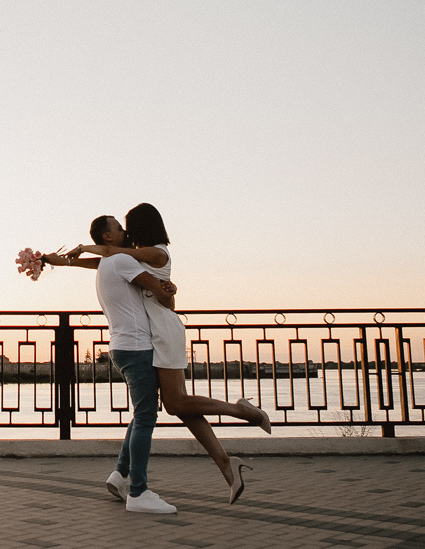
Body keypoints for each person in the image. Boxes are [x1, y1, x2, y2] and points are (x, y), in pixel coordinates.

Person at [58, 203, 272, 504]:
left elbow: (113, 256)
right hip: (152, 333)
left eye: (129, 226)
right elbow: (105, 261)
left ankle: (243, 411)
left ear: (142, 227)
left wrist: (83, 248)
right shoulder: (129, 257)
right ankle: (226, 464)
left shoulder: (158, 253)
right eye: (121, 228)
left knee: (175, 403)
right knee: (176, 407)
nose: (126, 232)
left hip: (164, 332)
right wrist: (62, 261)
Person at [44, 214, 180, 513]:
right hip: (137, 345)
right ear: (107, 237)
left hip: (121, 345)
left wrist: (65, 261)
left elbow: (99, 260)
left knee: (142, 412)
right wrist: (168, 289)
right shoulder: (121, 260)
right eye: (119, 228)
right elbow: (164, 297)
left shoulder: (112, 262)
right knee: (146, 417)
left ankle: (120, 475)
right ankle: (138, 492)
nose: (125, 231)